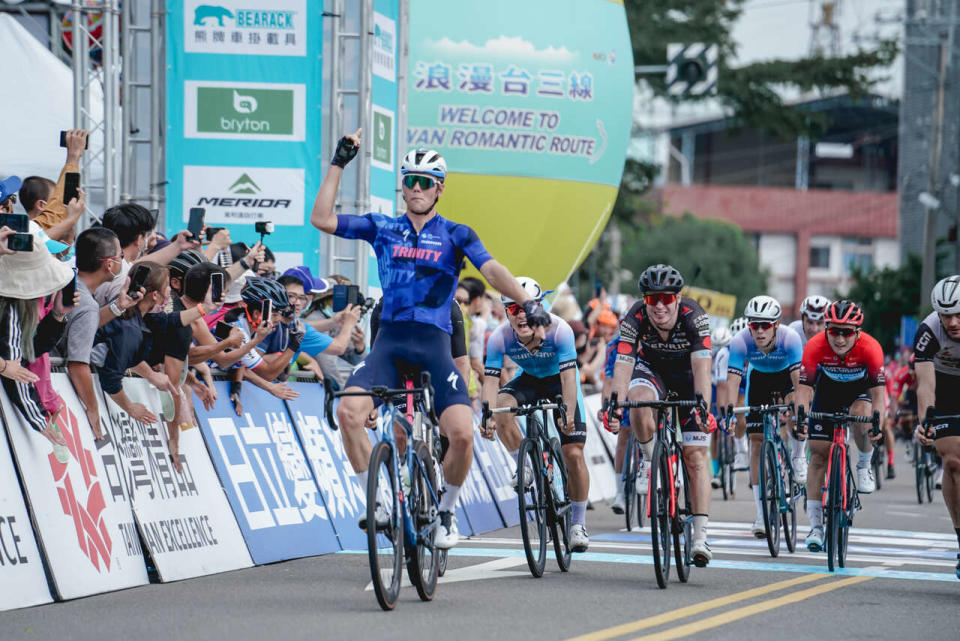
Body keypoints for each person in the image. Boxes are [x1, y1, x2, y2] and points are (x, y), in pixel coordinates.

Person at [310, 133, 550, 549]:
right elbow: (322, 219)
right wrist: (338, 163)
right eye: (410, 181)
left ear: (440, 187)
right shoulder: (382, 227)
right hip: (390, 343)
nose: (416, 189)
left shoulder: (457, 234)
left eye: (426, 181)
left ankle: (445, 512)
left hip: (435, 344)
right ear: (401, 186)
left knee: (461, 435)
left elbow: (491, 270)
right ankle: (378, 499)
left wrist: (528, 303)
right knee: (349, 413)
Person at [606, 264, 717, 566]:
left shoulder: (695, 317)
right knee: (638, 402)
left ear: (678, 298)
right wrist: (615, 404)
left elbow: (702, 369)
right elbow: (623, 364)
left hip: (688, 377)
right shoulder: (634, 316)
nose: (659, 306)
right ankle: (648, 460)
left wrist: (703, 405)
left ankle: (700, 537)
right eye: (652, 299)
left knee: (694, 457)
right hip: (652, 372)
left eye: (666, 298)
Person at [481, 277, 591, 552]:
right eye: (512, 309)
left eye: (525, 309)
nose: (520, 316)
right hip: (528, 379)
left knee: (574, 453)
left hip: (561, 380)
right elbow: (491, 381)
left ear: (538, 308)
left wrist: (567, 411)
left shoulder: (559, 330)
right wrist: (487, 414)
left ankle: (578, 524)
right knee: (502, 407)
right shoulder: (500, 337)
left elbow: (568, 378)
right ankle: (525, 465)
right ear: (506, 312)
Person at [93, 261, 206, 470]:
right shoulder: (129, 329)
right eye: (167, 289)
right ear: (155, 295)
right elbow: (110, 378)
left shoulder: (141, 317)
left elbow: (169, 321)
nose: (170, 294)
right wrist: (130, 407)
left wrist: (203, 308)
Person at [796, 300, 885, 552]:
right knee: (817, 455)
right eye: (834, 330)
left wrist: (877, 423)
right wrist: (801, 418)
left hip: (859, 392)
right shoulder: (815, 346)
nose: (840, 338)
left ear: (857, 332)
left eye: (846, 332)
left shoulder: (871, 348)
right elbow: (803, 390)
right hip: (828, 392)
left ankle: (864, 464)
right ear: (826, 328)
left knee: (862, 414)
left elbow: (879, 396)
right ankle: (815, 527)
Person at [725, 296, 804, 537]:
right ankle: (760, 515)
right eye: (754, 325)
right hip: (758, 380)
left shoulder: (790, 338)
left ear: (776, 325)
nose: (759, 331)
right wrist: (729, 412)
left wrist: (799, 412)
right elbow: (733, 381)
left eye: (765, 325)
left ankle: (798, 457)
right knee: (757, 443)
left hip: (786, 378)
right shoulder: (739, 342)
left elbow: (799, 382)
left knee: (797, 414)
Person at [58, 226, 142, 439]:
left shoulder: (68, 281)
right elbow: (78, 365)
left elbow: (79, 326)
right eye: (120, 256)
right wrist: (93, 409)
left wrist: (118, 306)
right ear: (109, 264)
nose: (123, 262)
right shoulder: (86, 304)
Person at [0, 230, 76, 453]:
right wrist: (39, 419)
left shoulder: (14, 306)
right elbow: (15, 365)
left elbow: (27, 351)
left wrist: (57, 315)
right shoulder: (11, 306)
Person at [914, 276, 960, 578]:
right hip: (945, 388)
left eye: (959, 313)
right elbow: (925, 387)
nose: (953, 322)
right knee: (953, 459)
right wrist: (926, 424)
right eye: (946, 315)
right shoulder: (928, 331)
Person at [95, 203, 200, 305]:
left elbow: (140, 264)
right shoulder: (123, 277)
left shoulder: (111, 265)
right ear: (139, 239)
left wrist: (179, 245)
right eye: (147, 234)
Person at [709, 325, 733, 489]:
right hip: (712, 386)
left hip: (727, 384)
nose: (718, 350)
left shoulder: (731, 353)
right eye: (715, 346)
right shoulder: (709, 354)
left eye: (722, 346)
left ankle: (734, 446)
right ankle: (716, 472)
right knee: (715, 429)